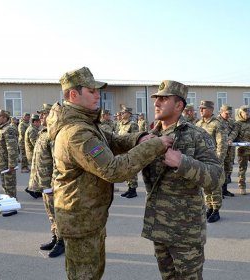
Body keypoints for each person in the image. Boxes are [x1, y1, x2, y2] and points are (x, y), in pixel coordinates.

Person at [48, 66, 173, 280]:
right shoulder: (77, 133)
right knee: (85, 276)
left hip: (88, 217)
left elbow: (111, 140)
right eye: (91, 91)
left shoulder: (83, 124)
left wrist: (138, 139)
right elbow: (114, 170)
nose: (98, 95)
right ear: (73, 94)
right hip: (81, 221)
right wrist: (154, 146)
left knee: (93, 272)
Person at [141, 80, 224, 279]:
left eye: (164, 98)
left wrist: (183, 163)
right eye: (156, 99)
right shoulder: (150, 137)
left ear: (179, 105)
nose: (157, 103)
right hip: (159, 227)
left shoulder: (196, 135)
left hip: (186, 231)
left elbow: (217, 176)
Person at [28, 103, 64, 257]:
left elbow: (58, 161)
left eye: (44, 114)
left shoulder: (54, 134)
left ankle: (62, 242)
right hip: (43, 184)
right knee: (51, 215)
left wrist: (55, 184)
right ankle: (55, 238)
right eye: (41, 114)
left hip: (51, 184)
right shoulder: (44, 132)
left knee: (58, 214)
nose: (41, 117)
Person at [196, 100, 226, 223]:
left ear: (211, 109)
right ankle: (209, 206)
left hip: (214, 160)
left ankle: (216, 210)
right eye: (200, 108)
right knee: (206, 185)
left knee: (215, 185)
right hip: (202, 160)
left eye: (204, 108)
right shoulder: (198, 124)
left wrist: (219, 160)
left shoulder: (217, 124)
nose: (201, 110)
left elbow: (222, 143)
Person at [0, 109, 19, 217]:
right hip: (2, 163)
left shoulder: (8, 129)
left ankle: (12, 207)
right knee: (5, 185)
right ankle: (8, 205)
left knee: (10, 186)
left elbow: (12, 148)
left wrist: (12, 164)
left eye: (0, 116)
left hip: (7, 164)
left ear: (5, 118)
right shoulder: (1, 129)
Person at [118, 107, 140, 198]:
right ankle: (129, 188)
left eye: (124, 112)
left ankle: (133, 190)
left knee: (131, 170)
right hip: (122, 150)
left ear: (129, 114)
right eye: (122, 112)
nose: (122, 114)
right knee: (125, 169)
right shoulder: (121, 124)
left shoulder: (133, 124)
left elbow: (135, 138)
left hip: (129, 150)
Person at [217, 105, 236, 197]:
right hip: (219, 150)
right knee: (219, 170)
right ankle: (218, 192)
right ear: (221, 112)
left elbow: (235, 130)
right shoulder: (216, 122)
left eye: (230, 114)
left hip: (229, 149)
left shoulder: (231, 121)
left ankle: (224, 190)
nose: (229, 115)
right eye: (227, 113)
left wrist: (230, 138)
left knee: (228, 169)